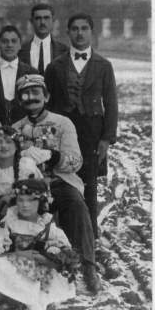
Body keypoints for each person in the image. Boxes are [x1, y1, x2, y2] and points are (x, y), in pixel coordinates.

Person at [12, 73, 100, 293]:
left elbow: (76, 161)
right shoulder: (15, 129)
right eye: (25, 94)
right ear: (19, 100)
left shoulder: (62, 123)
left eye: (36, 93)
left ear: (47, 96)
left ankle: (87, 266)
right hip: (28, 187)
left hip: (59, 181)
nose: (31, 98)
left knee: (76, 204)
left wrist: (53, 156)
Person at [45, 13, 117, 238]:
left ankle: (90, 235)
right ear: (68, 33)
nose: (79, 33)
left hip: (92, 133)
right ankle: (60, 235)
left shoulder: (103, 65)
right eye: (75, 29)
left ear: (91, 32)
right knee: (62, 179)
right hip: (62, 133)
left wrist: (106, 138)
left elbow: (111, 103)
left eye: (84, 28)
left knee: (90, 184)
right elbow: (48, 103)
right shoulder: (55, 66)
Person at [0, 178, 78, 310]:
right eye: (20, 200)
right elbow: (0, 245)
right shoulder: (10, 221)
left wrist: (50, 255)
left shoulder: (47, 226)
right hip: (14, 266)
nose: (24, 205)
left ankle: (36, 308)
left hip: (38, 272)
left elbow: (65, 253)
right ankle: (15, 298)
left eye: (30, 200)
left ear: (41, 202)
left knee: (39, 278)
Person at [0, 25, 38, 126]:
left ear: (20, 45)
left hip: (25, 128)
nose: (9, 45)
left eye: (14, 41)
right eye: (5, 41)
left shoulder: (32, 73)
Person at [0, 126, 43, 217]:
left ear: (16, 146)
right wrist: (2, 201)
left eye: (8, 142)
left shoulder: (26, 167)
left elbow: (40, 198)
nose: (3, 146)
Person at [18, 3, 69, 75]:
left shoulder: (65, 51)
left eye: (46, 18)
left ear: (53, 20)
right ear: (31, 21)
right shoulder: (20, 51)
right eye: (38, 18)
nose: (42, 22)